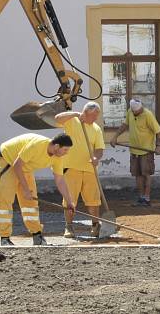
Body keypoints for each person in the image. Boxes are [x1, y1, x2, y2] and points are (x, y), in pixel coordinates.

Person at [0, 133, 75, 246]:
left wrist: (69, 201)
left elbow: (60, 180)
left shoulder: (57, 158)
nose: (66, 153)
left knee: (31, 202)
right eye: (65, 150)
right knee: (5, 200)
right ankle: (5, 238)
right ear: (56, 146)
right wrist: (25, 189)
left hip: (24, 167)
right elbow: (17, 165)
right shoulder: (37, 145)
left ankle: (37, 235)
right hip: (7, 161)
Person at [54, 102, 105, 238]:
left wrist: (96, 157)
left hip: (90, 169)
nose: (95, 119)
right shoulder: (73, 121)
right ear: (85, 113)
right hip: (71, 168)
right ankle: (69, 227)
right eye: (93, 116)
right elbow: (57, 118)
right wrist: (76, 114)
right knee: (70, 200)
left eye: (96, 116)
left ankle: (95, 225)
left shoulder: (96, 129)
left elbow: (99, 149)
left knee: (93, 200)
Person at [110, 98, 160, 207]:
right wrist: (115, 136)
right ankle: (141, 197)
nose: (136, 113)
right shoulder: (130, 112)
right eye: (134, 112)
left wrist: (158, 146)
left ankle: (147, 198)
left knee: (146, 174)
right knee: (137, 174)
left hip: (146, 151)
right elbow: (125, 125)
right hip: (134, 150)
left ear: (141, 108)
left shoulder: (148, 115)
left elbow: (158, 131)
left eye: (138, 112)